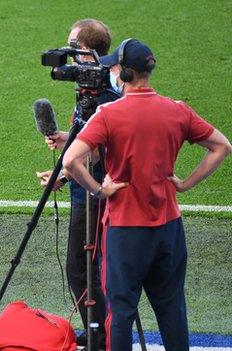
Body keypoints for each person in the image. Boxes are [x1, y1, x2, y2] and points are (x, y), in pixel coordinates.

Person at [63, 39, 231, 350]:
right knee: (172, 311)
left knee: (120, 314)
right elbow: (222, 146)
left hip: (126, 231)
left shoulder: (107, 114)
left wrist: (99, 190)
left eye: (115, 67)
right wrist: (186, 183)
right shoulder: (178, 110)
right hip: (169, 228)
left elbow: (71, 160)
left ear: (125, 74)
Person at [36, 19, 120, 349]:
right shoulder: (89, 90)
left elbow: (97, 154)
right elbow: (87, 138)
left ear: (85, 50)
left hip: (95, 193)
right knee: (87, 266)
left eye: (72, 46)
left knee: (81, 268)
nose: (67, 52)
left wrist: (63, 173)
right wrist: (66, 138)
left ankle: (101, 334)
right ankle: (98, 329)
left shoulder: (103, 96)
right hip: (87, 189)